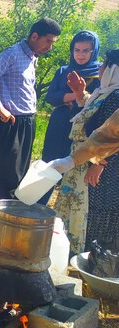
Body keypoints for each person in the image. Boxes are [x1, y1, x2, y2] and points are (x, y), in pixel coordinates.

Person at [0, 18, 61, 238]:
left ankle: (4, 224)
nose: (50, 47)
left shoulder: (32, 58)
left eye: (52, 43)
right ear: (34, 36)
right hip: (9, 123)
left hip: (26, 123)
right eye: (48, 41)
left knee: (17, 176)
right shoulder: (12, 53)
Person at [49, 50, 119, 252]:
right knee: (74, 207)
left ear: (114, 70)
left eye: (104, 64)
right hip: (83, 158)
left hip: (98, 163)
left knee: (93, 210)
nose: (100, 68)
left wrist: (100, 164)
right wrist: (81, 94)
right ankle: (69, 249)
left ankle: (87, 253)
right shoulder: (105, 91)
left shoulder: (116, 96)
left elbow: (111, 136)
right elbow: (93, 115)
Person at [38, 30, 101, 205]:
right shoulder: (64, 70)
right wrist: (76, 94)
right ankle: (38, 205)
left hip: (84, 128)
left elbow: (99, 100)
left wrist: (68, 95)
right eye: (77, 50)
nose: (80, 55)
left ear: (94, 51)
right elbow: (50, 97)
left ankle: (68, 211)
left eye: (86, 50)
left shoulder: (101, 72)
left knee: (76, 167)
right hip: (59, 123)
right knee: (50, 163)